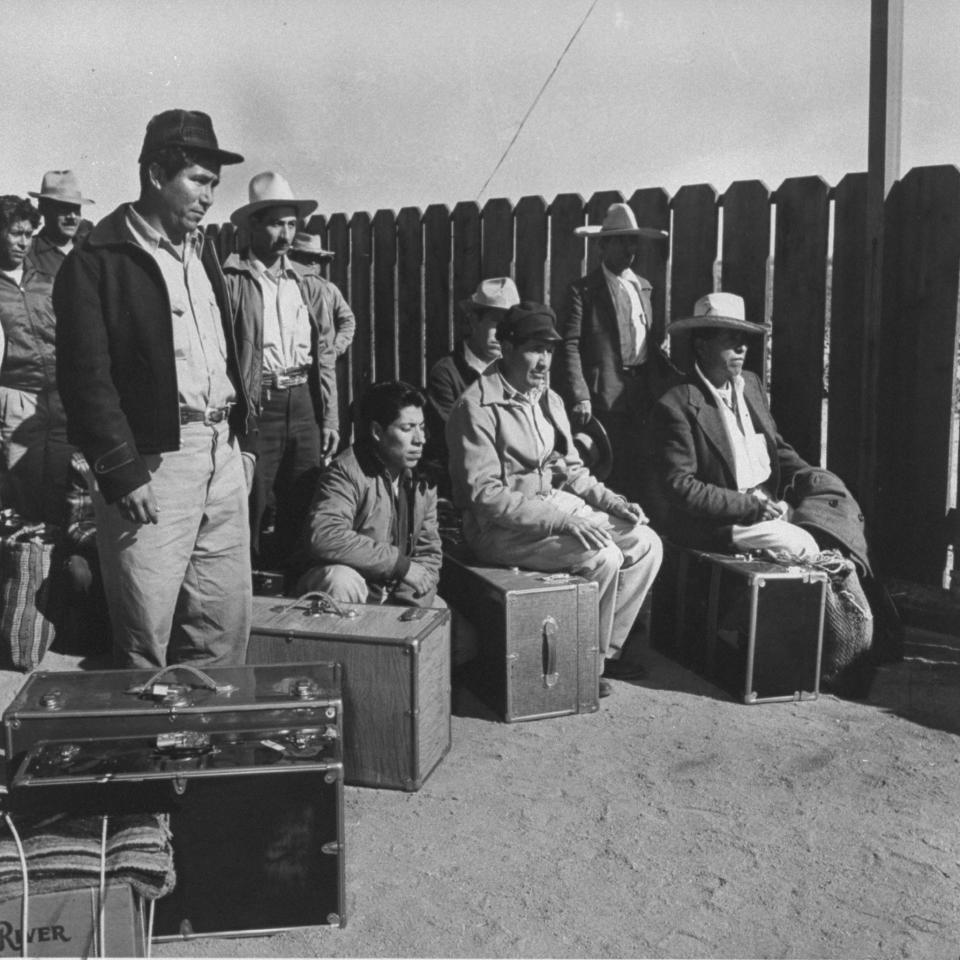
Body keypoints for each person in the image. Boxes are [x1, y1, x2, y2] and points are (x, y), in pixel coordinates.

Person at [53, 108, 254, 669]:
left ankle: (206, 744)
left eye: (214, 183)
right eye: (198, 180)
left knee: (222, 624)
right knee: (146, 633)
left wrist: (239, 445)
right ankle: (145, 752)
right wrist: (120, 470)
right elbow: (85, 379)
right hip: (154, 465)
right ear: (155, 176)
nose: (209, 197)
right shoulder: (98, 260)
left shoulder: (203, 252)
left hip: (222, 457)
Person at [446, 301, 663, 697]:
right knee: (602, 556)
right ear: (507, 347)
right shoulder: (474, 408)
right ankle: (583, 667)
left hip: (555, 505)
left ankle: (600, 654)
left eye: (549, 350)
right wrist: (562, 521)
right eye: (534, 348)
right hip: (499, 528)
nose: (544, 360)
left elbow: (572, 469)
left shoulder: (548, 398)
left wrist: (613, 503)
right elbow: (485, 496)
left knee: (646, 543)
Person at [652, 292, 838, 559]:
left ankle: (862, 600)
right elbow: (681, 487)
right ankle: (832, 599)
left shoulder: (750, 385)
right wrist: (749, 507)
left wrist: (815, 480)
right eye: (730, 340)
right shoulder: (677, 404)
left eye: (744, 341)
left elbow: (777, 448)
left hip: (769, 508)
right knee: (802, 546)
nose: (742, 349)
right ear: (702, 346)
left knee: (835, 523)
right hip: (721, 523)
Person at [223, 172, 340, 569]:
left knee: (304, 498)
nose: (286, 234)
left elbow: (324, 354)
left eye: (292, 224)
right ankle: (250, 599)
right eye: (276, 223)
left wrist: (329, 417)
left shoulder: (307, 282)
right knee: (252, 503)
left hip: (303, 401)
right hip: (260, 404)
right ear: (252, 225)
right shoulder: (232, 279)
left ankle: (293, 592)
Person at [553, 202, 680, 508]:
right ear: (602, 246)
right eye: (622, 241)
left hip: (641, 393)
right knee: (606, 463)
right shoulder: (583, 291)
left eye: (633, 241)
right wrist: (580, 394)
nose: (629, 248)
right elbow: (568, 344)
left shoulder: (643, 288)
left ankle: (638, 525)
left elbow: (650, 342)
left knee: (640, 464)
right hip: (604, 395)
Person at [297, 380, 442, 608]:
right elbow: (324, 534)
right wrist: (399, 565)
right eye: (407, 428)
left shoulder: (423, 478)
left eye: (421, 427)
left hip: (396, 590)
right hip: (354, 589)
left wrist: (406, 604)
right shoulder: (346, 471)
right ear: (377, 431)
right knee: (341, 581)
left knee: (448, 624)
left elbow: (428, 553)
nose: (420, 439)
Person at [0, 194, 71, 522]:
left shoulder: (45, 280)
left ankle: (56, 565)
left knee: (61, 483)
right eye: (15, 233)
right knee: (22, 486)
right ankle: (23, 566)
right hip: (16, 396)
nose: (23, 242)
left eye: (28, 234)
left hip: (57, 397)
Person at [424, 276, 519, 491]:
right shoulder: (446, 372)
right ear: (474, 320)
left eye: (508, 326)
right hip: (465, 480)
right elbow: (455, 438)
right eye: (495, 323)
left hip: (512, 478)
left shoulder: (514, 371)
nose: (502, 334)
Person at [287, 231, 356, 357]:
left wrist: (335, 349)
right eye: (307, 258)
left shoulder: (329, 289)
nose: (313, 263)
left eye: (317, 259)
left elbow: (347, 320)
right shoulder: (284, 285)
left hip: (321, 360)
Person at [26, 170, 95, 278]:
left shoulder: (91, 250)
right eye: (64, 208)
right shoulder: (27, 254)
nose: (72, 217)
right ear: (42, 208)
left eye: (76, 209)